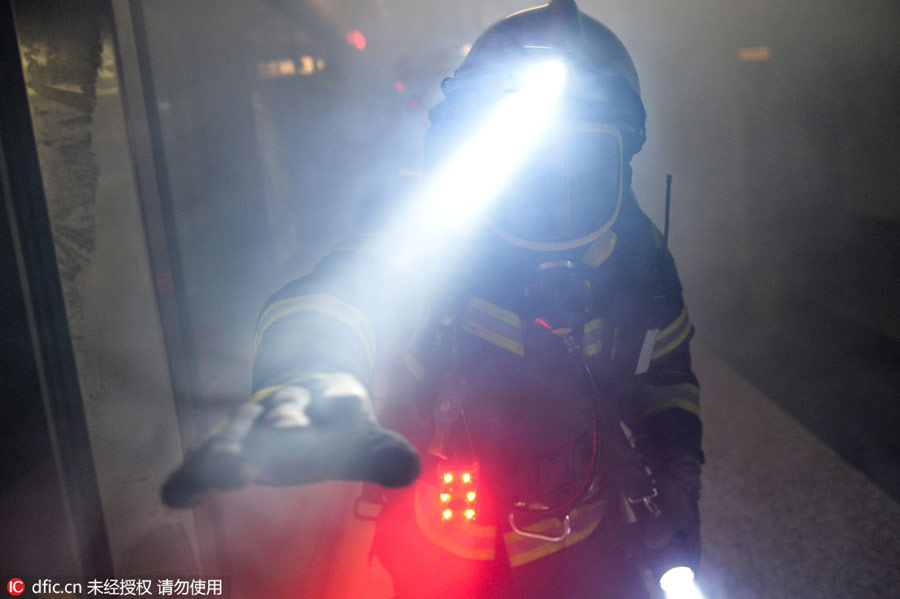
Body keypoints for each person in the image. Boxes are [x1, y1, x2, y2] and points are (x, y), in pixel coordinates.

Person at [164, 1, 703, 597]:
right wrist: (309, 369)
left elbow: (666, 374)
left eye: (580, 162)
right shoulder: (441, 233)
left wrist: (679, 478)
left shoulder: (638, 257)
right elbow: (350, 289)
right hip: (447, 553)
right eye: (531, 164)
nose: (556, 193)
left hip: (593, 541)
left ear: (623, 159)